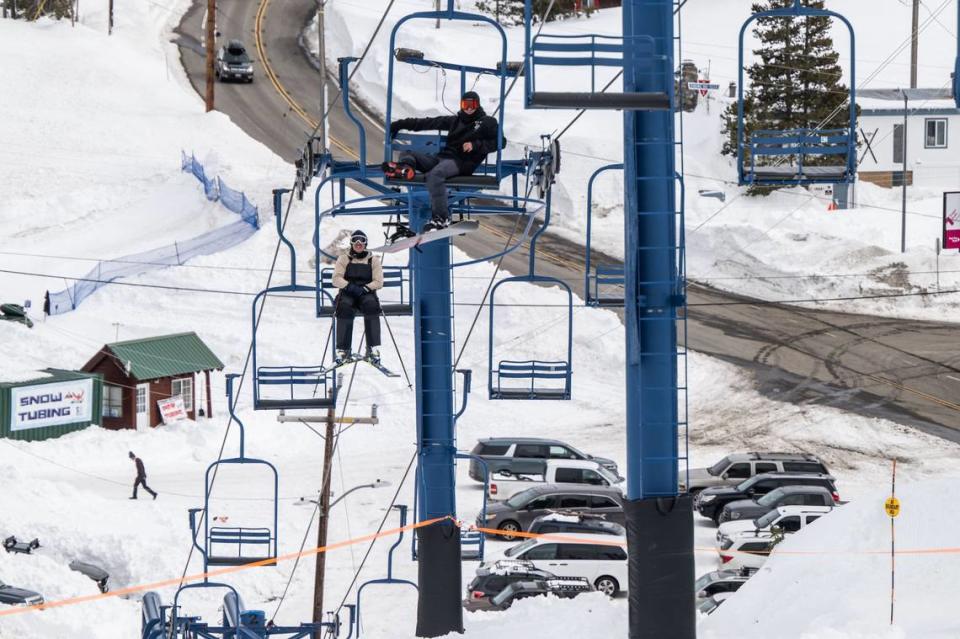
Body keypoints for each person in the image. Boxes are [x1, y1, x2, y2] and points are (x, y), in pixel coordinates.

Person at [385, 90, 501, 230]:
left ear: (478, 104)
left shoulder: (487, 122)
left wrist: (475, 145)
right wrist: (399, 124)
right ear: (461, 105)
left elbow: (500, 142)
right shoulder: (455, 121)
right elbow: (427, 123)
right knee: (408, 153)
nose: (469, 108)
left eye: (473, 104)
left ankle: (441, 218)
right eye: (466, 104)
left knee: (435, 175)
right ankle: (405, 169)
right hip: (442, 158)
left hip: (461, 163)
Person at [332, 230, 383, 363]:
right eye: (355, 240)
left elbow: (379, 281)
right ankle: (344, 350)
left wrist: (366, 288)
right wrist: (349, 287)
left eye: (362, 241)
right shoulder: (344, 259)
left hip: (366, 293)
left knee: (372, 307)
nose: (358, 243)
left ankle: (372, 348)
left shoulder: (373, 260)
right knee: (344, 307)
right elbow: (336, 279)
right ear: (351, 243)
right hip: (348, 292)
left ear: (366, 244)